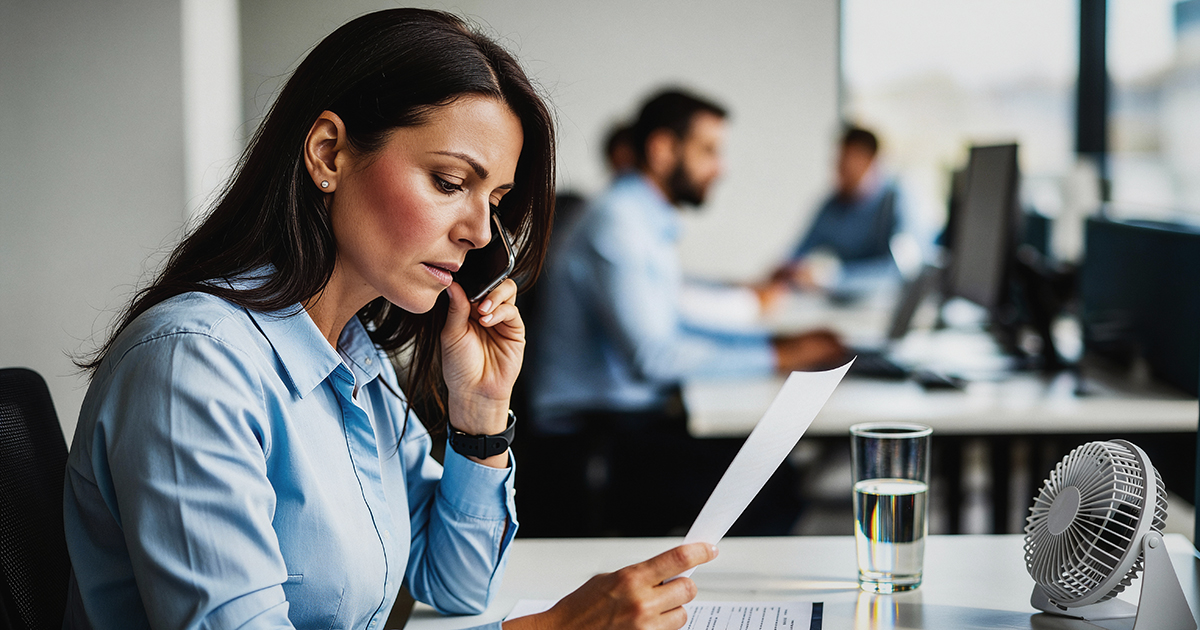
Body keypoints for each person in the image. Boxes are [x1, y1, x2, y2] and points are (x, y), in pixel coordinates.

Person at [63, 10, 716, 630]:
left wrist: (481, 416)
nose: (480, 231)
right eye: (449, 181)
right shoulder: (193, 366)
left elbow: (455, 583)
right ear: (327, 154)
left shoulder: (353, 353)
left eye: (496, 199)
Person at [522, 89, 844, 537]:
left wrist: (774, 345)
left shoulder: (641, 216)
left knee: (769, 465)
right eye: (709, 151)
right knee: (771, 481)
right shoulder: (619, 222)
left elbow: (675, 324)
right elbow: (653, 357)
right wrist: (777, 358)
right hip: (588, 440)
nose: (721, 167)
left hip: (618, 421)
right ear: (661, 149)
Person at [772, 125, 915, 297]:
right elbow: (798, 251)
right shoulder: (833, 205)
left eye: (846, 161)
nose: (839, 170)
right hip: (845, 306)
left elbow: (900, 272)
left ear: (869, 161)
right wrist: (785, 270)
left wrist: (831, 278)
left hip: (886, 304)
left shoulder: (899, 200)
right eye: (838, 162)